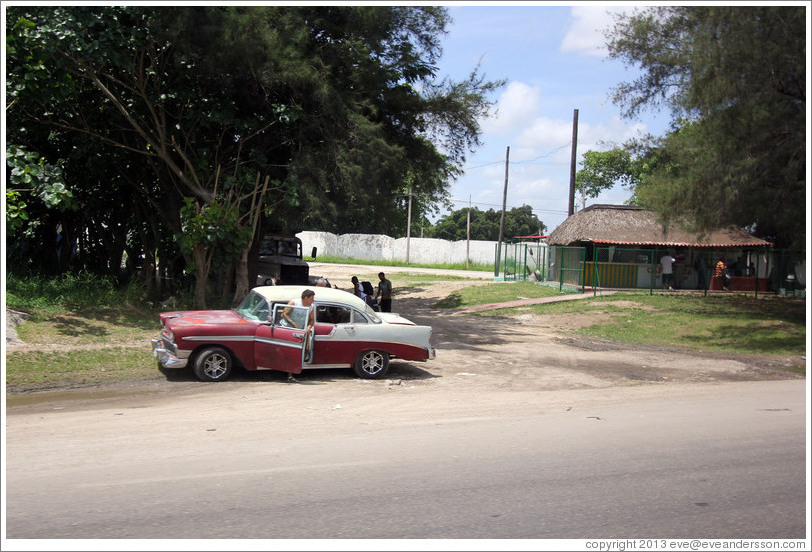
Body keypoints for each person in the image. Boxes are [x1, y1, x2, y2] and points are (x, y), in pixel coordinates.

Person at [280, 289, 316, 382]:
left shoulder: (311, 307)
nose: (313, 300)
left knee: (299, 352)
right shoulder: (294, 303)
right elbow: (284, 314)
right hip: (288, 329)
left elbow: (312, 320)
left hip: (299, 332)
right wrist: (293, 323)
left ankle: (291, 374)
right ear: (306, 298)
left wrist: (308, 327)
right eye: (312, 298)